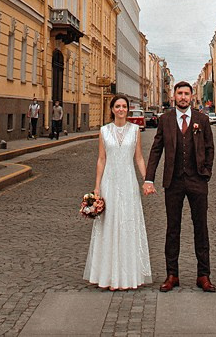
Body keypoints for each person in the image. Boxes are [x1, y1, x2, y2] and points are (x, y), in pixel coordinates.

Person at [143, 80, 216, 292]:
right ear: (174, 96)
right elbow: (156, 150)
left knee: (200, 227)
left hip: (197, 180)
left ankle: (203, 275)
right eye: (179, 93)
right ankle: (171, 274)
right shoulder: (165, 120)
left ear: (191, 97)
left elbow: (210, 147)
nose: (183, 97)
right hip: (173, 182)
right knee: (172, 229)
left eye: (186, 94)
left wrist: (206, 172)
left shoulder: (201, 119)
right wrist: (149, 178)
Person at [84, 94, 152, 291]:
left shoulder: (135, 130)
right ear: (112, 109)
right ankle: (107, 276)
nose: (121, 109)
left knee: (128, 225)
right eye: (117, 106)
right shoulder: (104, 131)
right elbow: (101, 159)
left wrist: (147, 180)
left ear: (127, 109)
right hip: (110, 183)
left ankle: (128, 276)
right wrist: (97, 187)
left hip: (129, 182)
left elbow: (138, 158)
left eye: (124, 106)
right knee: (109, 225)